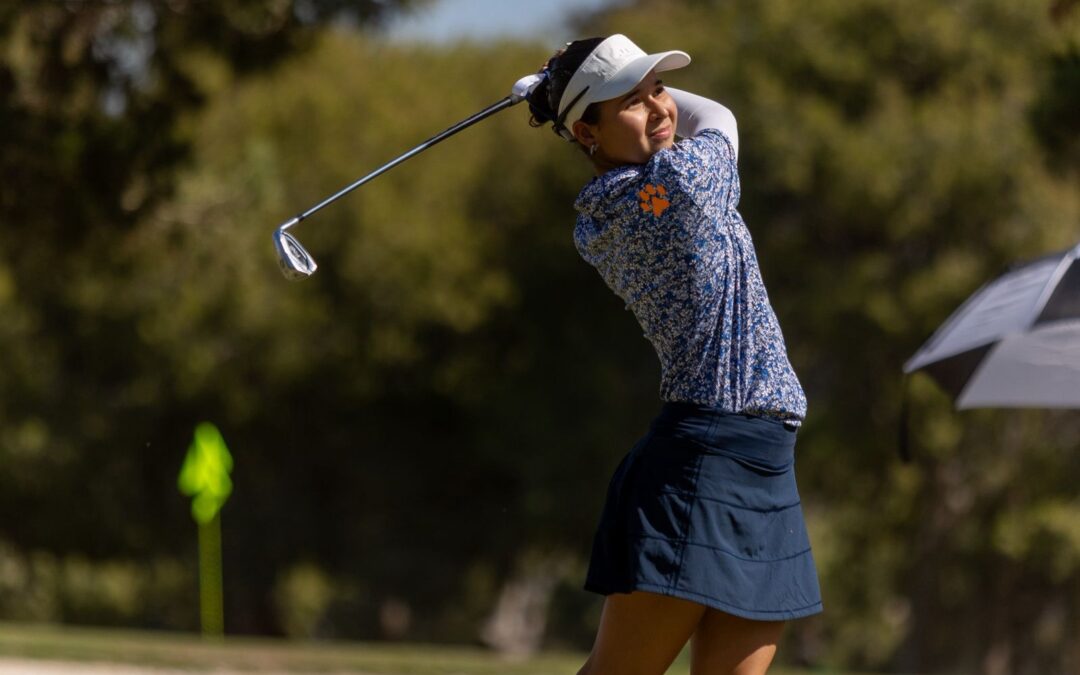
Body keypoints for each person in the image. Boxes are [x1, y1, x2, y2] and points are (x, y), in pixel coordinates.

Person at [523, 35, 823, 675]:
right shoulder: (674, 188)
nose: (660, 108)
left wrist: (564, 94)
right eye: (631, 101)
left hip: (763, 457)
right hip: (704, 462)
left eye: (657, 89)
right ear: (588, 133)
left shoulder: (610, 207)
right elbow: (718, 117)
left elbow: (677, 122)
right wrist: (556, 94)